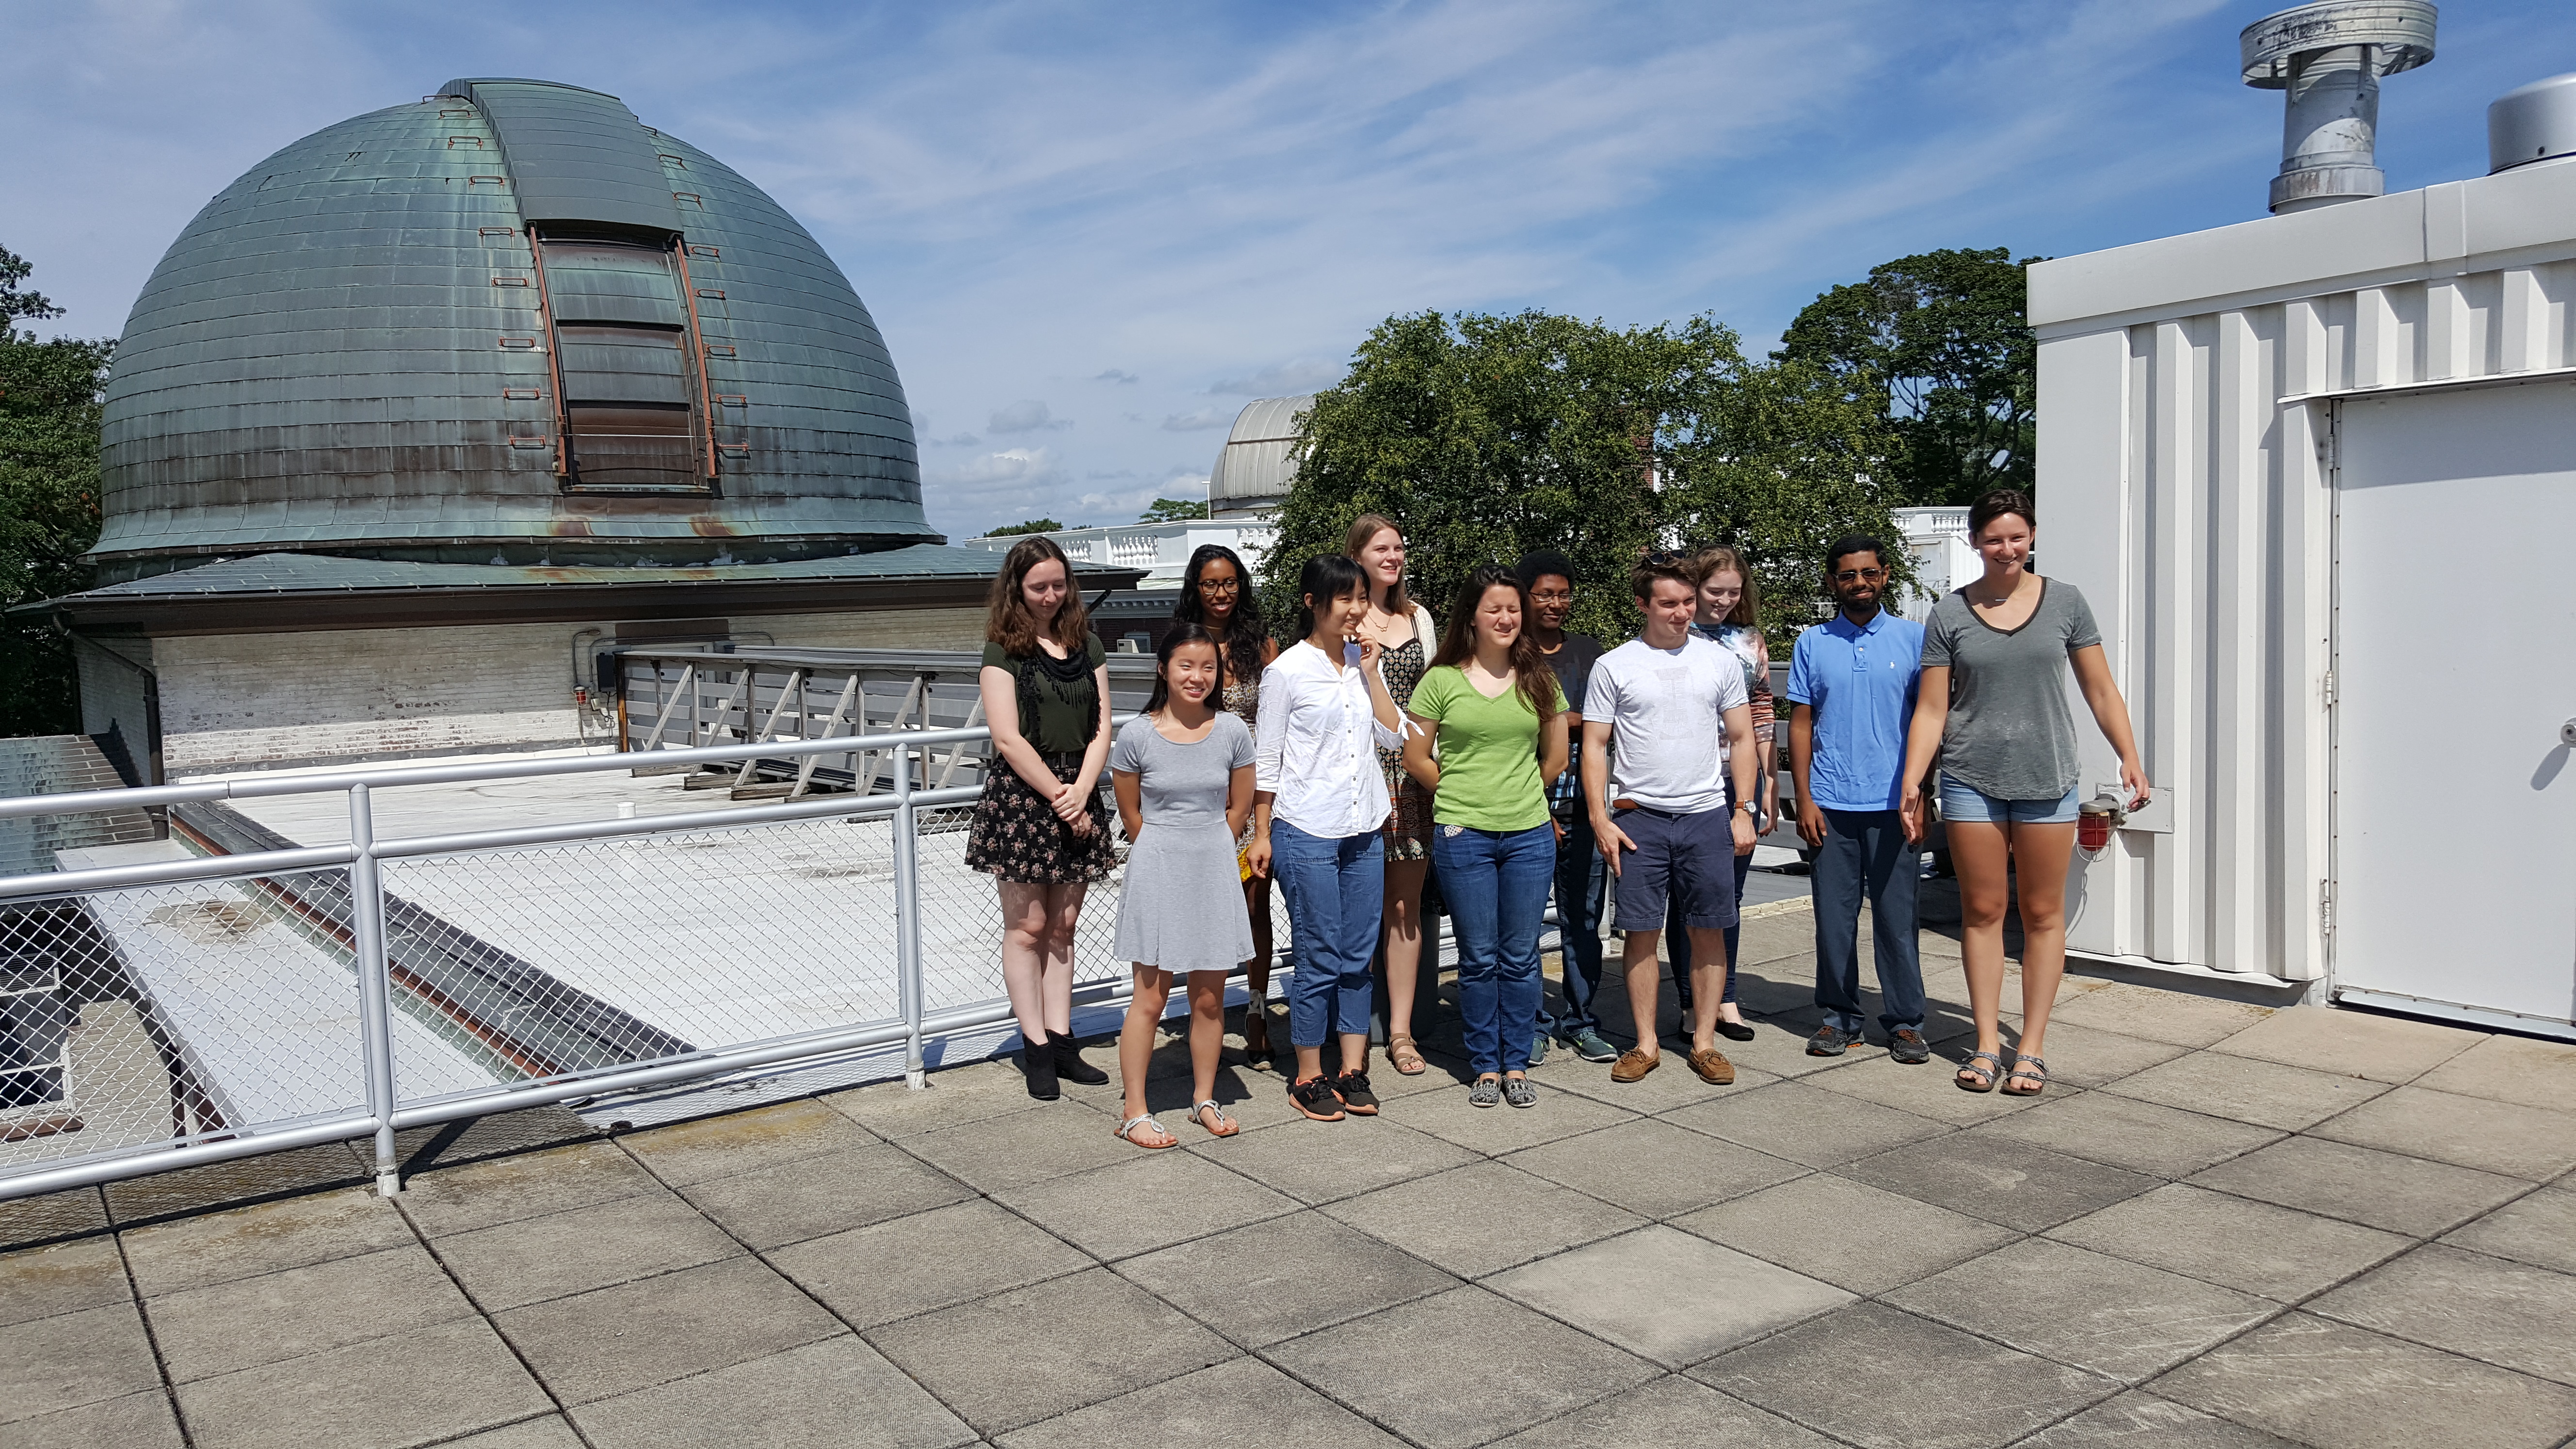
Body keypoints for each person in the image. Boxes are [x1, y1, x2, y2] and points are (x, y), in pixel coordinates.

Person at [1900, 489, 2150, 1096]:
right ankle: (1986, 1044)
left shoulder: (2065, 602)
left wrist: (2129, 755)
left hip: (2047, 779)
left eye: (2016, 537)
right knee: (1982, 912)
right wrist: (1912, 779)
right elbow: (1931, 708)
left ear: (2032, 536)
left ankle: (2031, 1048)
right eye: (1993, 539)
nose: (2006, 549)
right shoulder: (1949, 612)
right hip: (1970, 781)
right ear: (1974, 543)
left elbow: (2099, 690)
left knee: (2041, 914)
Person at [1581, 554, 1759, 1086]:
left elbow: (1743, 737)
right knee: (1640, 933)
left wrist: (1743, 809)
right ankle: (1645, 1043)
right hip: (1640, 819)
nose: (1681, 613)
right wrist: (1600, 818)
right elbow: (1594, 745)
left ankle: (1704, 1043)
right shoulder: (1615, 665)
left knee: (1709, 930)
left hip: (1706, 814)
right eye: (1668, 604)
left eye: (1687, 602)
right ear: (1642, 604)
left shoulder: (1719, 662)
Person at [1250, 553, 1405, 1123]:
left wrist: (1371, 673)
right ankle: (1308, 1075)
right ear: (1312, 603)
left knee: (1358, 956)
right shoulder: (1286, 671)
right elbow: (1267, 759)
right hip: (1306, 829)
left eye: (1361, 598)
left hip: (1363, 828)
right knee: (1318, 955)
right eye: (1345, 598)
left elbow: (1393, 739)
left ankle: (1352, 1070)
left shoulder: (1362, 664)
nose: (1356, 609)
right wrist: (1261, 830)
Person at [1403, 566, 1565, 1108]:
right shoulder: (1440, 680)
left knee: (1520, 956)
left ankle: (1516, 1061)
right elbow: (1415, 756)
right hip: (1462, 834)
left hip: (1528, 835)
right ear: (1471, 616)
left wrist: (1518, 794)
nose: (1505, 618)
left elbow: (1556, 757)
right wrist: (1458, 794)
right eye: (1493, 608)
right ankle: (1485, 1066)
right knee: (1477, 958)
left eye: (1513, 609)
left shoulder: (1540, 678)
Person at [968, 536, 1117, 1100]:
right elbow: (1007, 737)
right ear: (1017, 589)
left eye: (1058, 585)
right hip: (1024, 798)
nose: (1050, 596)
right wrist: (1061, 795)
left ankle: (1061, 1042)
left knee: (1063, 928)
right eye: (1038, 587)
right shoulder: (1002, 649)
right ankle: (1033, 1047)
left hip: (1078, 789)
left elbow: (1101, 726)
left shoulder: (1087, 644)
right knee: (1027, 928)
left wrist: (1082, 791)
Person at [1108, 625, 1257, 1147]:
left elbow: (1240, 806)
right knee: (1149, 999)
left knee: (1210, 999)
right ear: (1163, 669)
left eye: (1208, 667)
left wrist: (1210, 843)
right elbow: (1131, 814)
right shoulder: (1137, 734)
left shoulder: (1232, 730)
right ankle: (1134, 1111)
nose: (1198, 677)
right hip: (1157, 868)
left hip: (1214, 867)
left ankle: (1204, 1099)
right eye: (1186, 666)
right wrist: (1167, 846)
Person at [1788, 536, 1931, 1063]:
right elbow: (1800, 725)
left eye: (1869, 573)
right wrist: (1804, 798)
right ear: (1832, 582)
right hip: (1831, 804)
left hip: (1896, 805)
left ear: (1885, 575)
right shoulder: (1812, 643)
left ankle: (1905, 1022)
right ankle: (1838, 1019)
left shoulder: (1914, 639)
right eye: (1847, 575)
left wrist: (1923, 794)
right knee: (1833, 921)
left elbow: (1930, 721)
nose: (1859, 584)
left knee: (1897, 921)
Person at [1172, 544, 1281, 1059]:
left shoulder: (1261, 646)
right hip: (1204, 791)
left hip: (1258, 792)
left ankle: (1257, 1010)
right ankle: (1206, 1011)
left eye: (1230, 582)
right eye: (1211, 583)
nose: (1221, 593)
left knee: (1256, 906)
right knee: (1206, 910)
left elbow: (1282, 716)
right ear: (1195, 588)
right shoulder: (1182, 645)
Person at [1667, 546, 1774, 1045]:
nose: (1724, 601)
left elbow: (1761, 711)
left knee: (1727, 894)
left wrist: (1768, 781)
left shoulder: (1749, 641)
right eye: (1714, 591)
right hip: (1687, 777)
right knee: (1687, 895)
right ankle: (1690, 1001)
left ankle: (1724, 997)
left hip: (1739, 777)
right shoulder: (1673, 635)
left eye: (1734, 592)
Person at [1346, 515, 1441, 1077]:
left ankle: (1401, 1033)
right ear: (1357, 555)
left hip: (1410, 774)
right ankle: (1351, 1031)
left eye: (1399, 548)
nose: (1393, 557)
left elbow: (1436, 695)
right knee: (1358, 909)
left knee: (1405, 909)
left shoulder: (1417, 617)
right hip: (1358, 775)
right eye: (1381, 548)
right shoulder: (1345, 618)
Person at [1518, 551, 1616, 1064]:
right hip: (1527, 812)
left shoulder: (1590, 653)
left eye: (1563, 594)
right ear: (1524, 597)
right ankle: (1531, 1024)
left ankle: (1581, 1020)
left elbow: (1608, 723)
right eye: (1544, 595)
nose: (1555, 604)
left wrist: (1564, 721)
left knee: (1583, 920)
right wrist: (1572, 721)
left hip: (1585, 807)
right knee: (1525, 927)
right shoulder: (1512, 654)